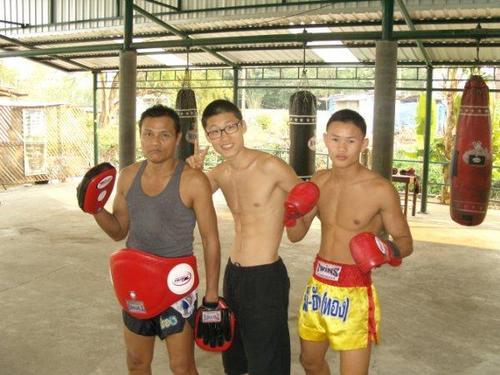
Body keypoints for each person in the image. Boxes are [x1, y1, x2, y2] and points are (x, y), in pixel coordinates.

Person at [79, 104, 221, 375]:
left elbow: (210, 239)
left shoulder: (193, 181)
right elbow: (119, 231)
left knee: (182, 366)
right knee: (136, 363)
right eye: (148, 134)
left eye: (164, 135)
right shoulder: (128, 176)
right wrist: (95, 209)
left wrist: (212, 293)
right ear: (140, 135)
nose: (155, 142)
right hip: (136, 283)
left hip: (176, 285)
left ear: (178, 137)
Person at [187, 99, 310, 375]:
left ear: (243, 126)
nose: (224, 137)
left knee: (267, 362)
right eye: (214, 131)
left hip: (265, 277)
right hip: (234, 275)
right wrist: (192, 173)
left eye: (229, 127)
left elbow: (310, 201)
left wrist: (295, 224)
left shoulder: (271, 167)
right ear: (207, 136)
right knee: (235, 359)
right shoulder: (220, 173)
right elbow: (188, 199)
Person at [286, 109, 413, 375]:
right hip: (318, 287)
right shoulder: (319, 181)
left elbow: (405, 241)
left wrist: (385, 249)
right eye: (335, 139)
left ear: (364, 144)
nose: (341, 147)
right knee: (309, 362)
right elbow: (296, 236)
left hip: (355, 291)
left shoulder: (380, 189)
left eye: (351, 141)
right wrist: (289, 215)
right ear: (324, 139)